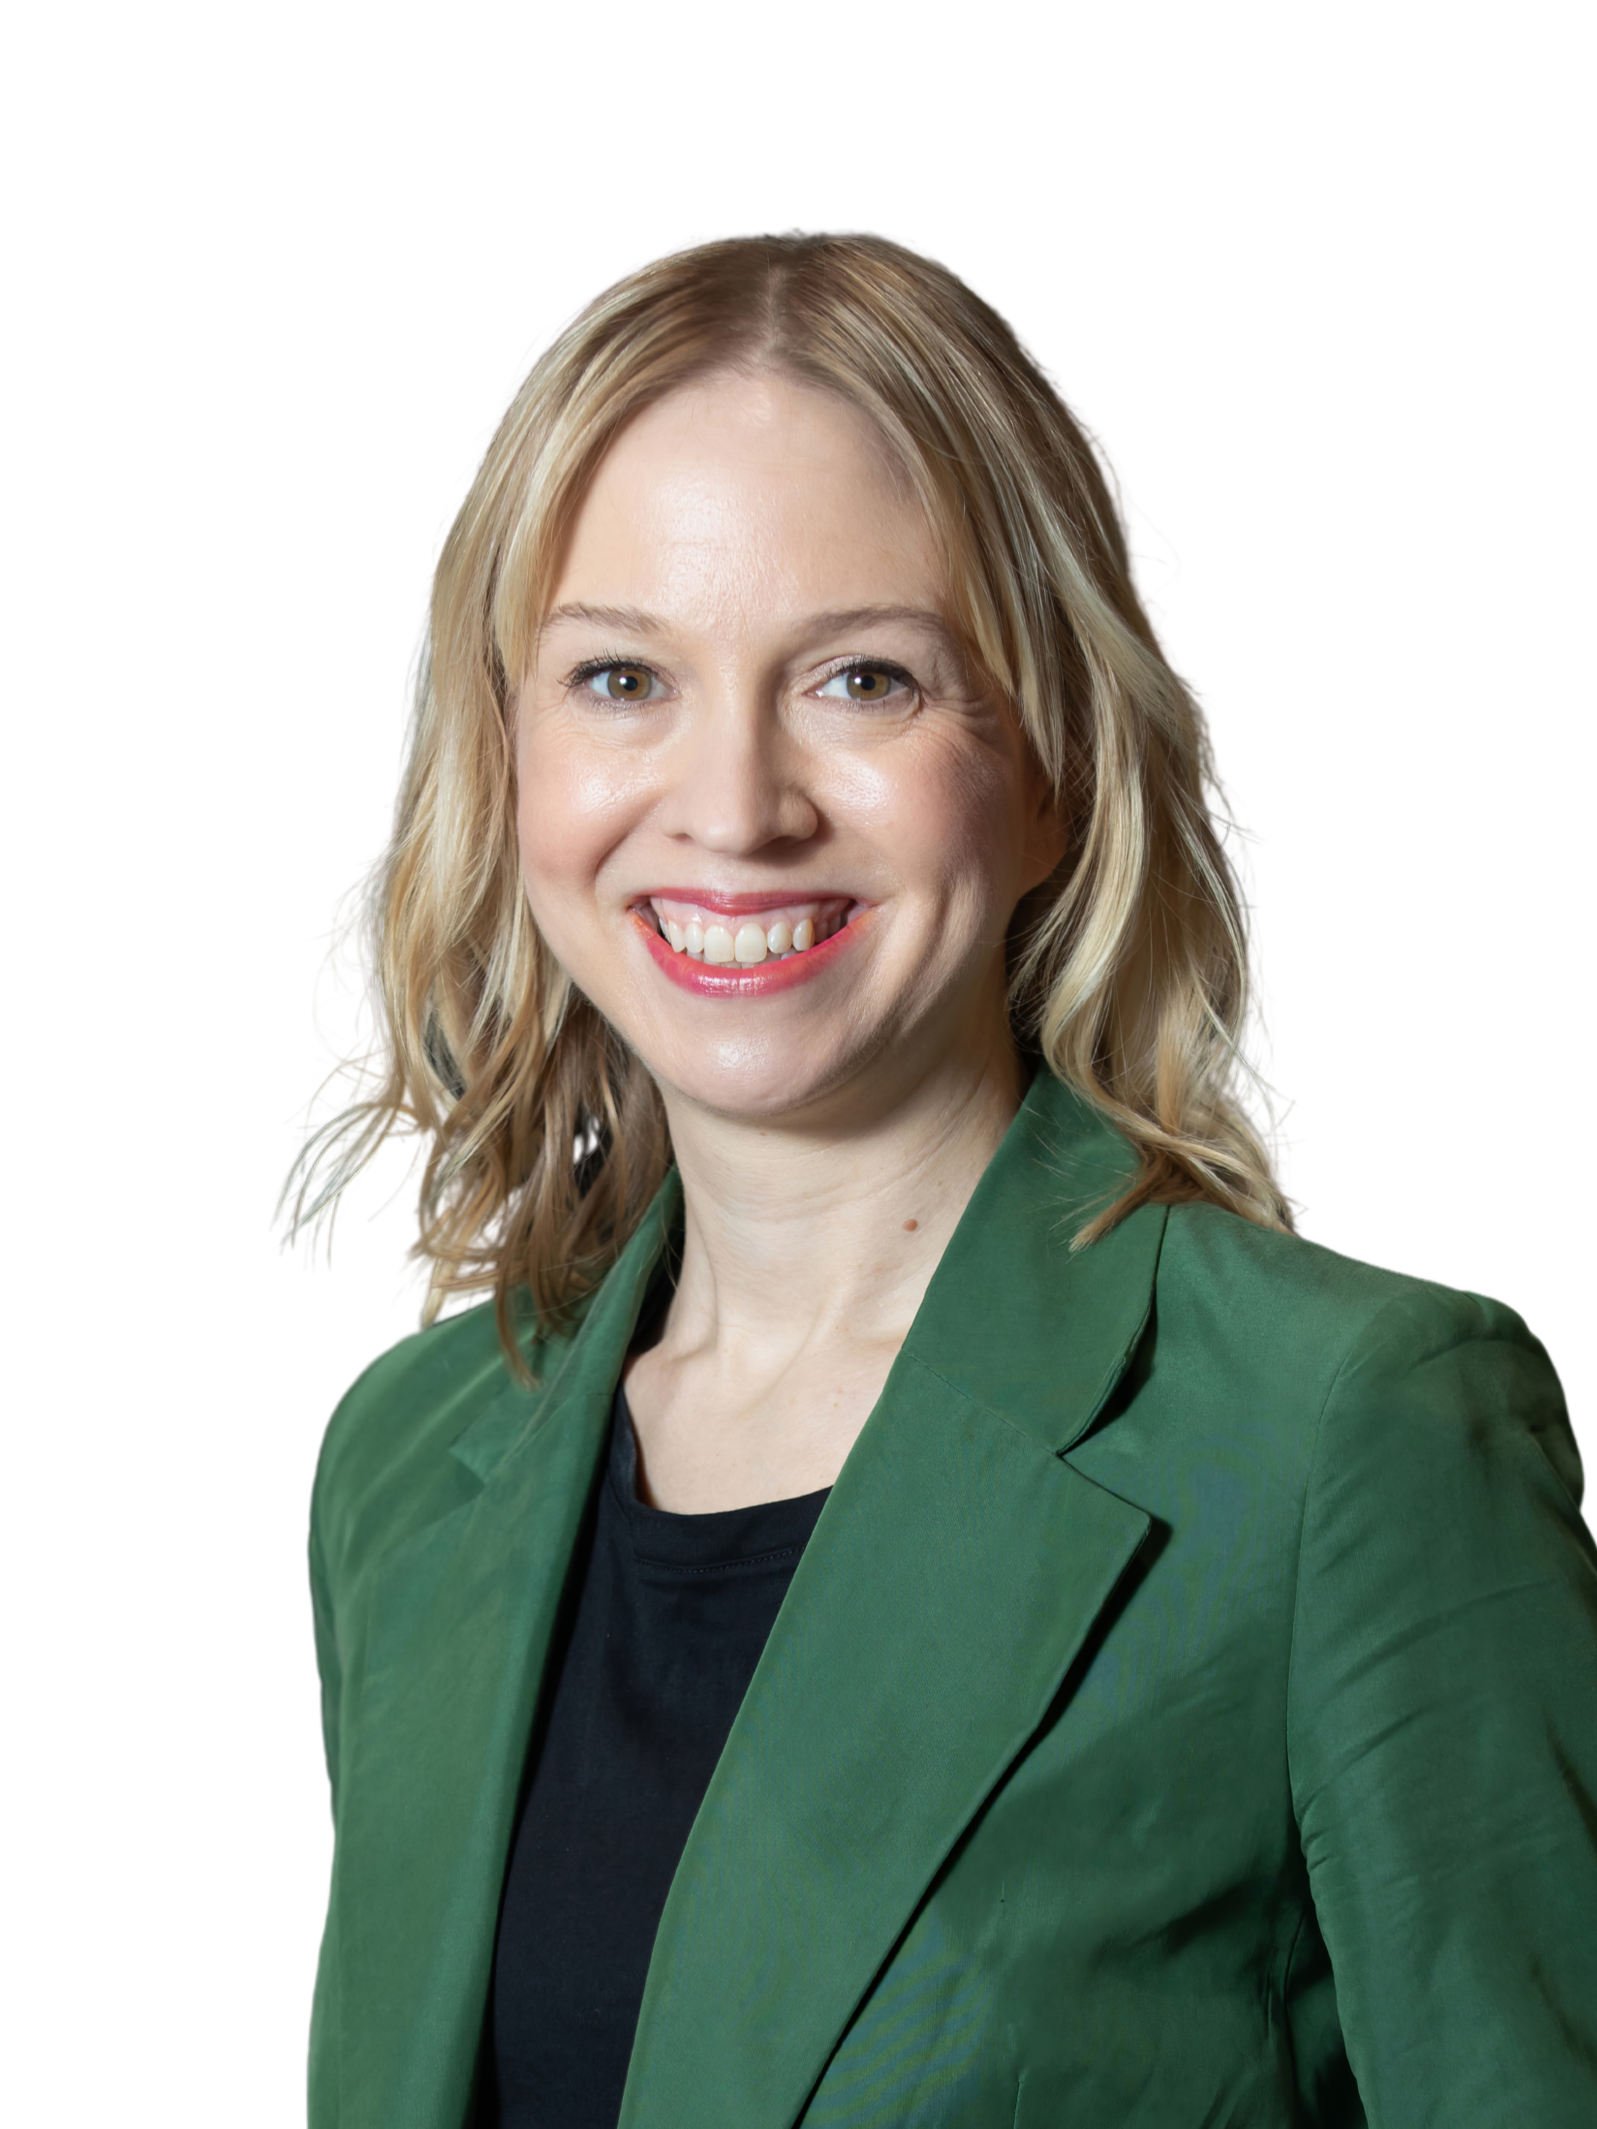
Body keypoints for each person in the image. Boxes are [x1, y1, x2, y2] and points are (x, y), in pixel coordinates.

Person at [280, 230, 1597, 2127]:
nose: (734, 808)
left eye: (865, 680)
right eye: (625, 677)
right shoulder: (405, 1468)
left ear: (1051, 753)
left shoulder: (1350, 1438)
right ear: (511, 756)